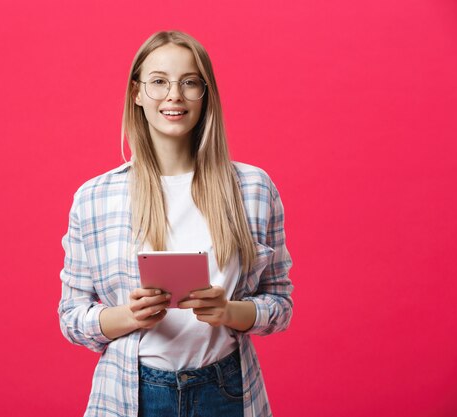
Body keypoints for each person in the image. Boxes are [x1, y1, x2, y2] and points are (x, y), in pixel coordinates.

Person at [58, 30, 294, 417]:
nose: (174, 95)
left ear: (206, 94)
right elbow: (71, 317)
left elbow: (281, 305)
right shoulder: (94, 197)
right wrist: (127, 316)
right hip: (131, 393)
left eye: (189, 82)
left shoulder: (252, 188)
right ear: (137, 93)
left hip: (228, 391)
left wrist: (229, 311)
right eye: (159, 82)